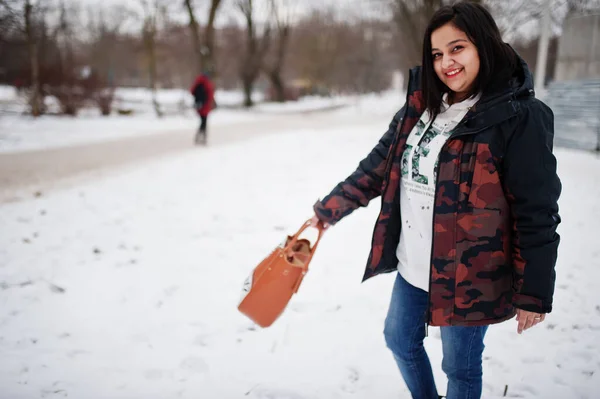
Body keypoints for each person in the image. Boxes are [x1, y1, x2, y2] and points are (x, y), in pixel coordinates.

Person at [310, 2, 561, 398]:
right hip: (415, 264)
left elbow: (537, 212)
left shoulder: (519, 117)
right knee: (399, 340)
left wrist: (534, 291)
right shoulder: (421, 106)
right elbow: (378, 167)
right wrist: (328, 210)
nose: (447, 63)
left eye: (457, 48)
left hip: (471, 275)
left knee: (459, 368)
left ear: (485, 45)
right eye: (437, 54)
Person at [190, 71, 215, 145]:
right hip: (205, 105)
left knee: (202, 121)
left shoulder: (197, 82)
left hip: (199, 105)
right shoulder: (207, 83)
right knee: (204, 121)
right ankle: (202, 137)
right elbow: (210, 94)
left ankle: (199, 136)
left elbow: (192, 91)